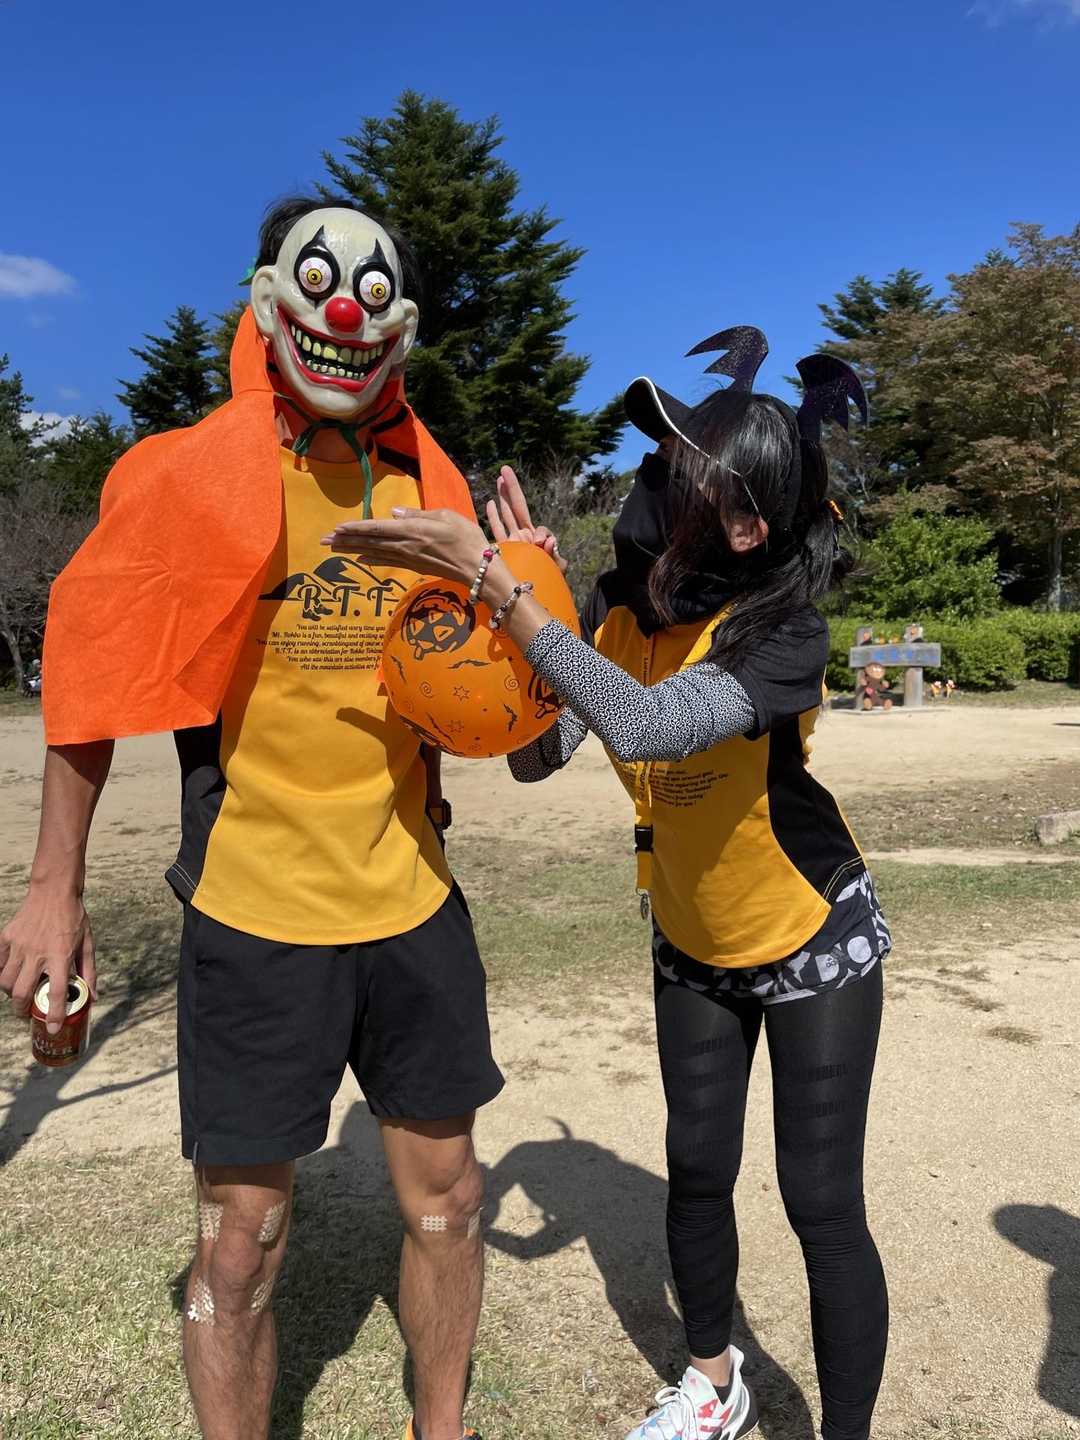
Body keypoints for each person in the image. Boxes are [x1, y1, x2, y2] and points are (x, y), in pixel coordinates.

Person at [326, 327, 891, 1440]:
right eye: (660, 460)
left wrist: (506, 587)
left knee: (821, 1204)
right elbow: (538, 755)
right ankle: (714, 1385)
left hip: (810, 936)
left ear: (743, 523)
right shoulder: (621, 614)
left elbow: (646, 725)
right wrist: (523, 600)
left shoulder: (783, 635)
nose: (653, 479)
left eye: (682, 469)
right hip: (691, 940)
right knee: (696, 1173)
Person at [0, 196, 504, 1440]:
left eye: (373, 296)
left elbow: (492, 697)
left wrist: (518, 588)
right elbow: (94, 665)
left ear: (402, 325)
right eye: (320, 286)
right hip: (253, 909)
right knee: (241, 1240)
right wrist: (55, 889)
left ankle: (443, 1429)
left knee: (449, 1203)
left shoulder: (430, 486)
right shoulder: (188, 476)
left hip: (411, 902)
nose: (346, 317)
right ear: (270, 299)